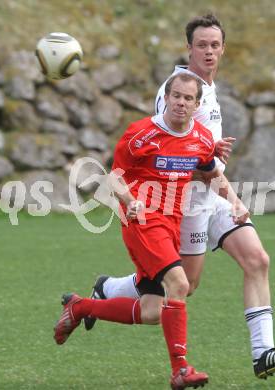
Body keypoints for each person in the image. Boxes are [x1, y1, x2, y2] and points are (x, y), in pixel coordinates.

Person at [84, 14, 275, 379]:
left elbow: (202, 156)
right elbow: (166, 158)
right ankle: (107, 290)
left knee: (257, 260)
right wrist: (207, 161)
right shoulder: (179, 90)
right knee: (182, 287)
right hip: (181, 203)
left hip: (211, 197)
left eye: (215, 45)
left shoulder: (208, 90)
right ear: (189, 48)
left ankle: (263, 353)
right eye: (202, 45)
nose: (209, 51)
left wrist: (228, 191)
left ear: (223, 49)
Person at [54, 73, 228, 389]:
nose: (181, 102)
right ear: (166, 97)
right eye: (176, 95)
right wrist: (129, 200)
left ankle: (80, 307)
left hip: (170, 227)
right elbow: (114, 177)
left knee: (151, 312)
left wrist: (238, 204)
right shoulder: (141, 133)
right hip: (143, 223)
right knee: (180, 283)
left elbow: (211, 172)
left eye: (189, 98)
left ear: (197, 104)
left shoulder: (201, 138)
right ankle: (181, 370)